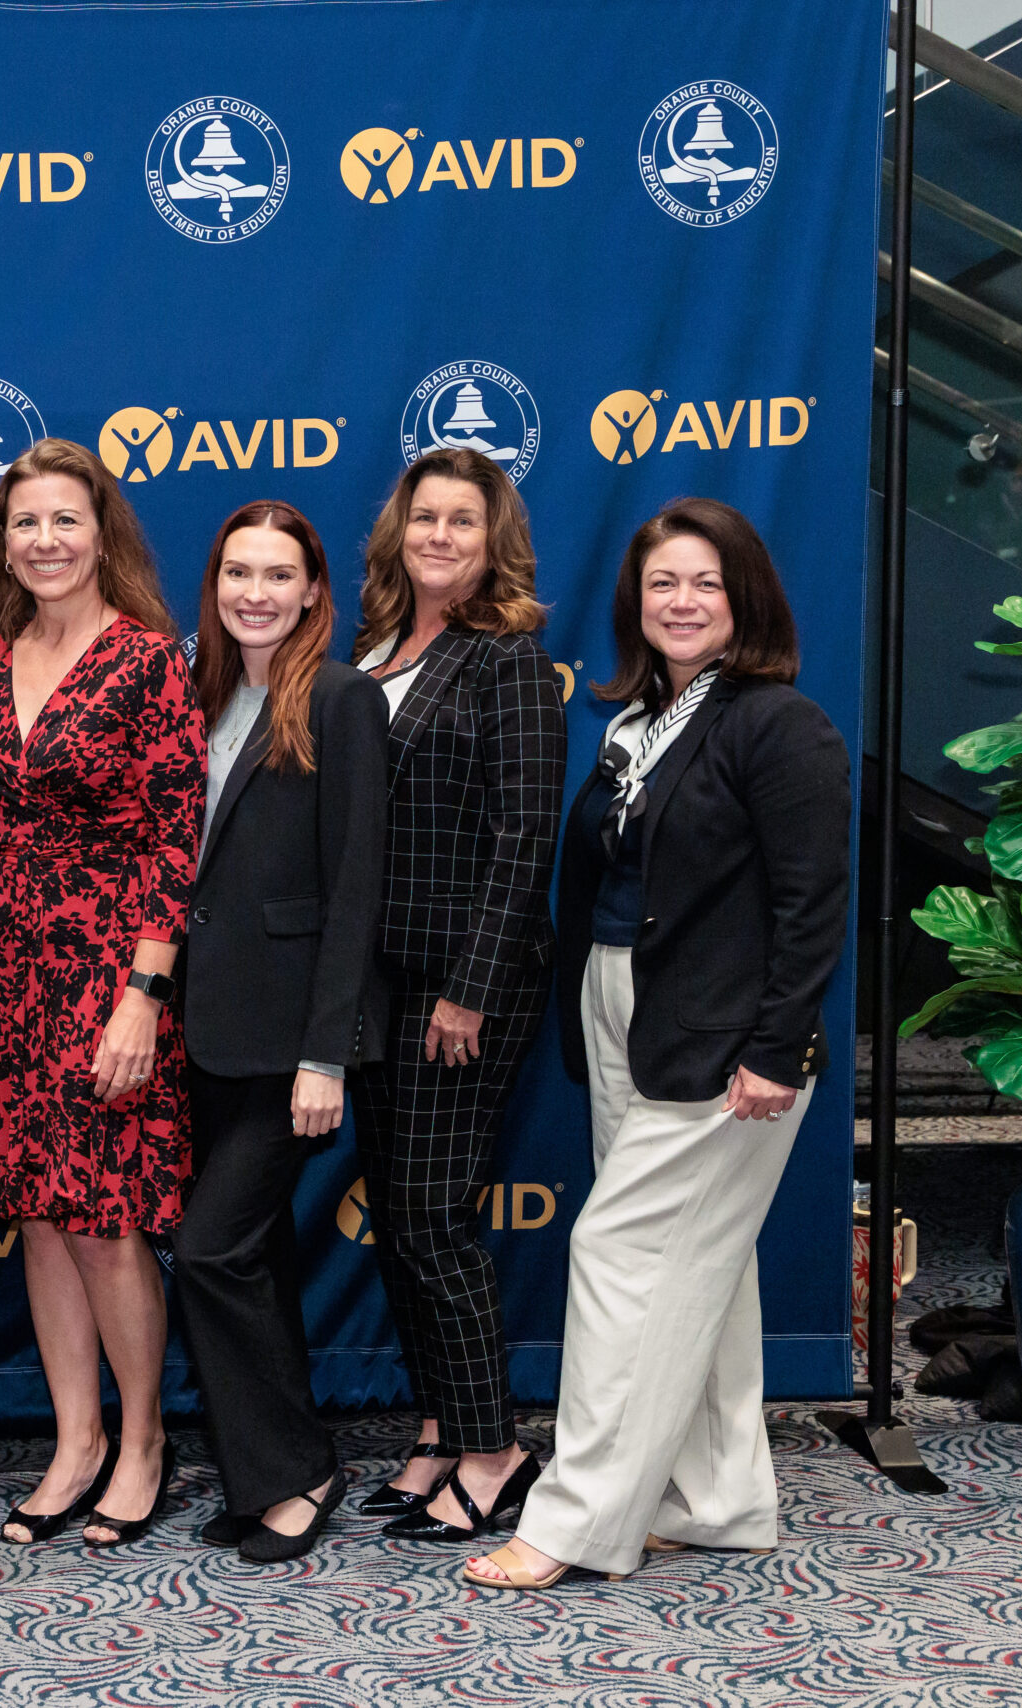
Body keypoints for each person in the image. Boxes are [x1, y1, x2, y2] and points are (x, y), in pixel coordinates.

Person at [467, 499, 848, 1591]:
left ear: (746, 599)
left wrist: (776, 1046)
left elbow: (812, 904)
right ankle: (717, 1500)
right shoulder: (641, 719)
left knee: (620, 1254)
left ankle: (578, 1521)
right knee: (698, 1267)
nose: (681, 602)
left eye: (705, 583)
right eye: (661, 584)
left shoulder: (780, 725)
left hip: (723, 1032)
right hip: (620, 1001)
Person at [0, 439, 204, 1549]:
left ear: (102, 535)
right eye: (25, 522)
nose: (45, 540)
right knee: (43, 1218)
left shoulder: (146, 661)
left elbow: (174, 840)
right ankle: (75, 1443)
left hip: (109, 969)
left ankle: (142, 1441)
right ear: (1, 543)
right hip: (3, 971)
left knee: (106, 1224)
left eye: (66, 519)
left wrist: (144, 992)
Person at [348, 448, 566, 1546]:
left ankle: (494, 1450)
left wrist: (470, 990)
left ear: (494, 540)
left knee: (434, 1216)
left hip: (464, 986)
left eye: (462, 521)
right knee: (398, 1218)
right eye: (424, 516)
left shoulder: (507, 657)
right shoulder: (376, 646)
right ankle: (439, 1429)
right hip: (382, 979)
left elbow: (527, 836)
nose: (438, 535)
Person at [172, 501, 388, 1563]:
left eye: (276, 575)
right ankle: (261, 1475)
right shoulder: (201, 691)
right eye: (236, 573)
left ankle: (302, 1467)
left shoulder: (342, 699)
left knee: (208, 1249)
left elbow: (356, 887)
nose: (254, 593)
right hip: (205, 1027)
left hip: (290, 1037)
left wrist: (325, 1053)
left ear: (311, 593)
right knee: (250, 1254)